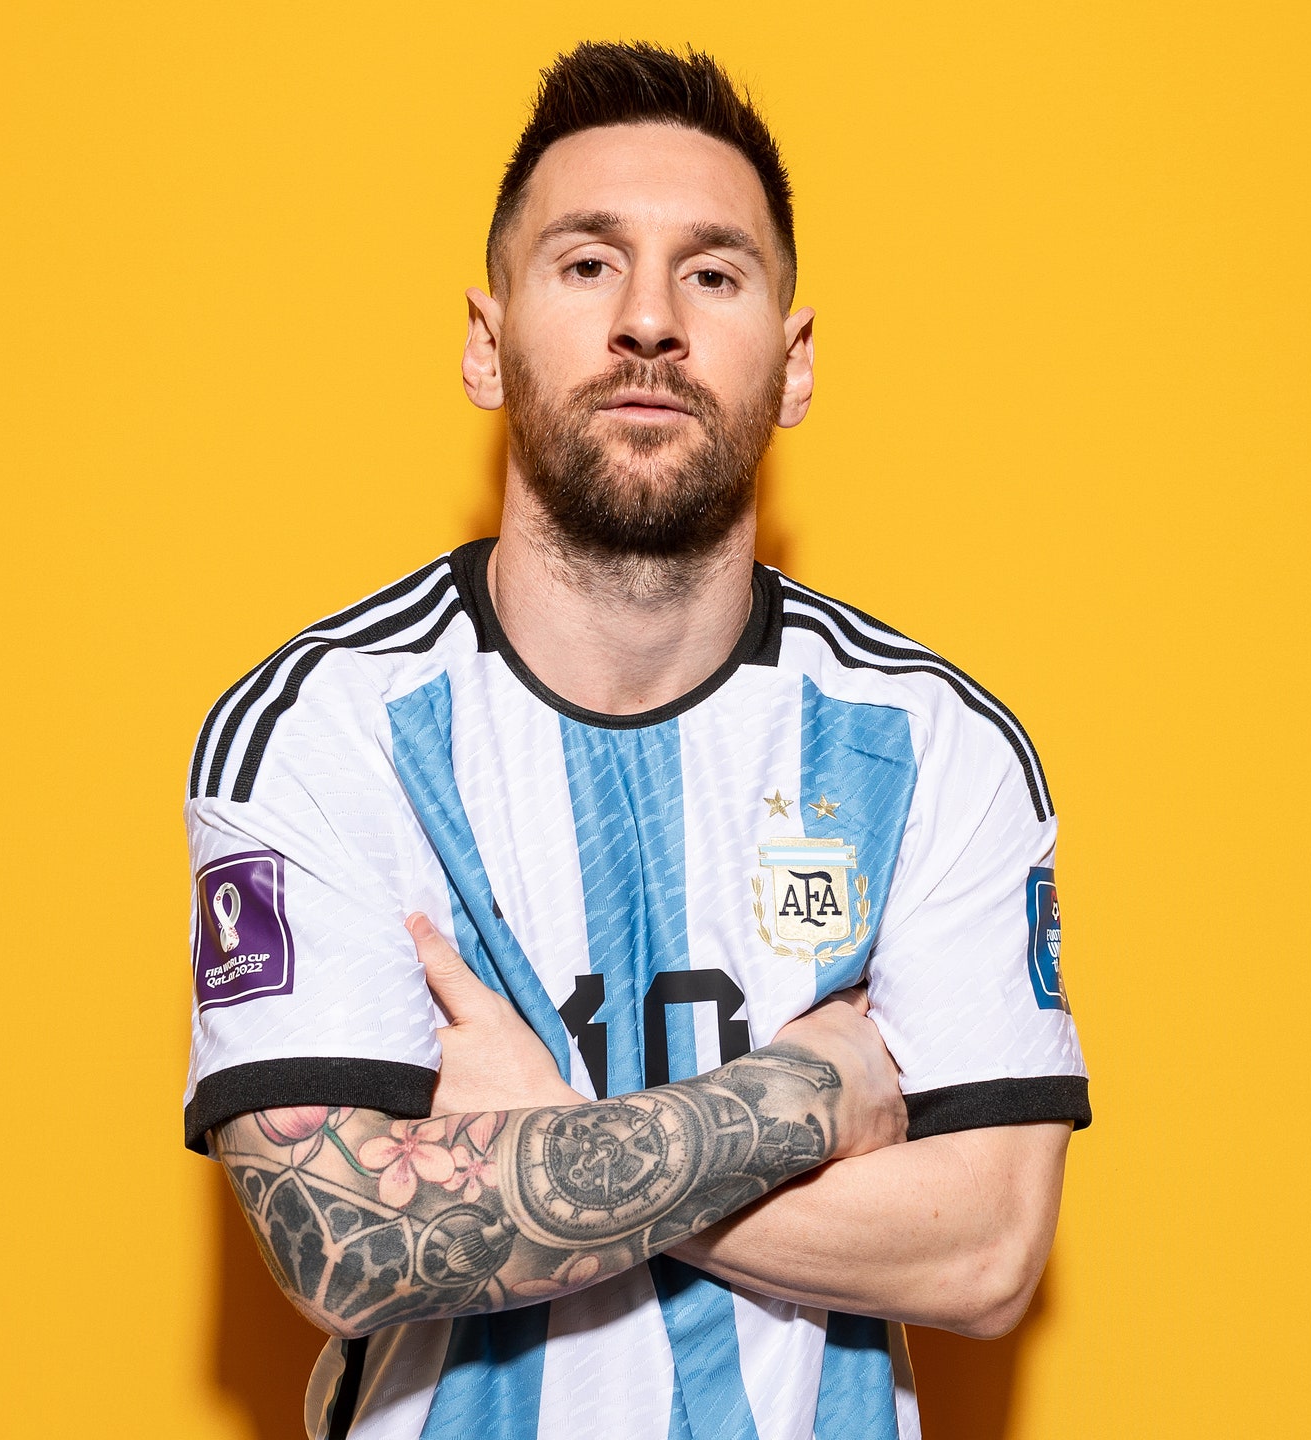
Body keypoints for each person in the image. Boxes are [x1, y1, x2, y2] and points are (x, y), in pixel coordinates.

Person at [181, 41, 1089, 1440]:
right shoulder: (321, 732)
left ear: (793, 363)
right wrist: (808, 1095)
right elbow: (343, 1242)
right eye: (589, 263)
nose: (649, 320)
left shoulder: (930, 745)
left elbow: (983, 1252)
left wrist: (537, 1135)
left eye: (713, 273)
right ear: (486, 342)